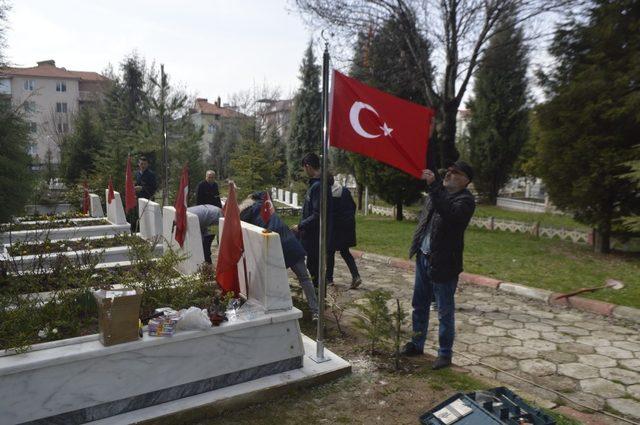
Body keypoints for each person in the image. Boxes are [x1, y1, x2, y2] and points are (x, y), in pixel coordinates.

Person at [401, 161, 476, 370]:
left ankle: (445, 354)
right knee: (419, 304)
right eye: (449, 170)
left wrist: (435, 187)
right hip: (424, 257)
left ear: (466, 180)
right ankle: (417, 343)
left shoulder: (465, 201)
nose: (449, 173)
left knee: (444, 310)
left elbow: (450, 214)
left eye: (455, 172)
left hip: (444, 263)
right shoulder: (438, 193)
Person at [239, 192, 319, 319]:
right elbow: (263, 193)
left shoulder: (244, 214)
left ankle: (276, 307)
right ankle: (315, 311)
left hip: (273, 246)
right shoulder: (264, 205)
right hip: (290, 242)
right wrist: (252, 195)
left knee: (269, 279)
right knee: (304, 278)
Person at [291, 153, 332, 287]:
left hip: (316, 235)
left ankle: (319, 300)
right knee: (312, 266)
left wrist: (301, 225)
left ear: (308, 166)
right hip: (312, 234)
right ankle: (317, 298)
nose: (304, 171)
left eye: (304, 168)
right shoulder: (315, 185)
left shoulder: (318, 186)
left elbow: (317, 214)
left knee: (315, 269)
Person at [326, 178, 362, 289]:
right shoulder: (345, 190)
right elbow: (353, 206)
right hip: (347, 226)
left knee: (330, 251)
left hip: (334, 226)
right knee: (345, 251)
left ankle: (329, 279)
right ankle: (356, 276)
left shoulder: (328, 194)